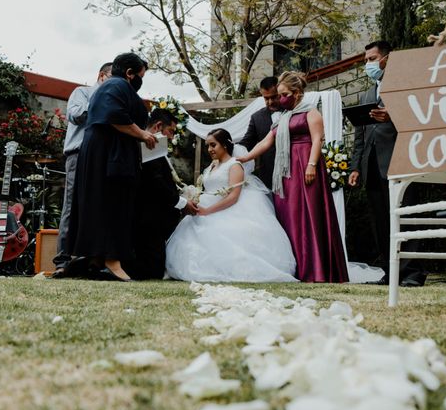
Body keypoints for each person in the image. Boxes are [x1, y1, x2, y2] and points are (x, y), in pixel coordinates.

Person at [239, 72, 348, 283]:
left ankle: (316, 268)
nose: (280, 99)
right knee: (290, 215)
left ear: (297, 94)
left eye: (283, 94)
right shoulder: (283, 117)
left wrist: (311, 165)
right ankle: (296, 266)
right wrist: (246, 157)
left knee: (310, 214)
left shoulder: (311, 113)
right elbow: (266, 141)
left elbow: (318, 140)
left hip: (306, 165)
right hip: (286, 171)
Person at [64, 53, 156, 281]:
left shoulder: (114, 86)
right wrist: (143, 134)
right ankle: (111, 260)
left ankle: (95, 259)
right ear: (129, 73)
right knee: (110, 202)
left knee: (103, 202)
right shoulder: (115, 85)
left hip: (107, 151)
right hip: (107, 153)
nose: (141, 81)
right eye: (140, 76)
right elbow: (114, 115)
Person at [165, 128, 297, 282]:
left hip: (228, 209)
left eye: (213, 145)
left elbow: (234, 196)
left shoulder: (234, 165)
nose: (210, 149)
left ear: (225, 145)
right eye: (208, 146)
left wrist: (208, 211)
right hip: (206, 207)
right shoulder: (212, 166)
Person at [347, 40, 425, 287]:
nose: (368, 64)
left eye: (372, 59)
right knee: (381, 221)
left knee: (406, 216)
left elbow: (420, 121)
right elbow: (360, 136)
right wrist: (355, 167)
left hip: (399, 160)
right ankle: (390, 271)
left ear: (387, 58)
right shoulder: (367, 94)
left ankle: (412, 272)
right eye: (366, 60)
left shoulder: (405, 87)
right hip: (371, 166)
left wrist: (393, 116)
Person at [52, 62, 112, 276]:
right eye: (112, 79)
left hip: (102, 158)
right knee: (71, 205)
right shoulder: (83, 92)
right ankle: (63, 260)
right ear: (102, 76)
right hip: (78, 154)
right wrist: (102, 102)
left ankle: (91, 260)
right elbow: (75, 115)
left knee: (97, 207)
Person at [130, 108, 198, 280]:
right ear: (159, 126)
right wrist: (182, 203)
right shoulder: (149, 145)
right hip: (147, 218)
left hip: (154, 220)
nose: (172, 137)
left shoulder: (155, 146)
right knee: (151, 270)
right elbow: (156, 183)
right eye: (171, 131)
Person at [239, 77, 281, 189]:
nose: (270, 102)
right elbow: (246, 143)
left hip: (295, 171)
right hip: (268, 174)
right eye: (266, 98)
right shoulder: (257, 118)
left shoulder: (293, 112)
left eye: (274, 97)